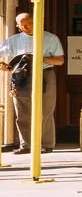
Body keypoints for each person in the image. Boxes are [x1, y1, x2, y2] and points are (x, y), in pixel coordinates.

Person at [2, 9, 67, 154]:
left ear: (36, 22)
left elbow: (60, 60)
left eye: (29, 23)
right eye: (23, 25)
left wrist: (39, 58)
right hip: (21, 77)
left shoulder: (50, 38)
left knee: (46, 110)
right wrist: (3, 66)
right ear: (18, 26)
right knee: (22, 111)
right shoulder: (13, 40)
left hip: (45, 74)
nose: (27, 27)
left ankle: (46, 144)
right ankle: (26, 145)